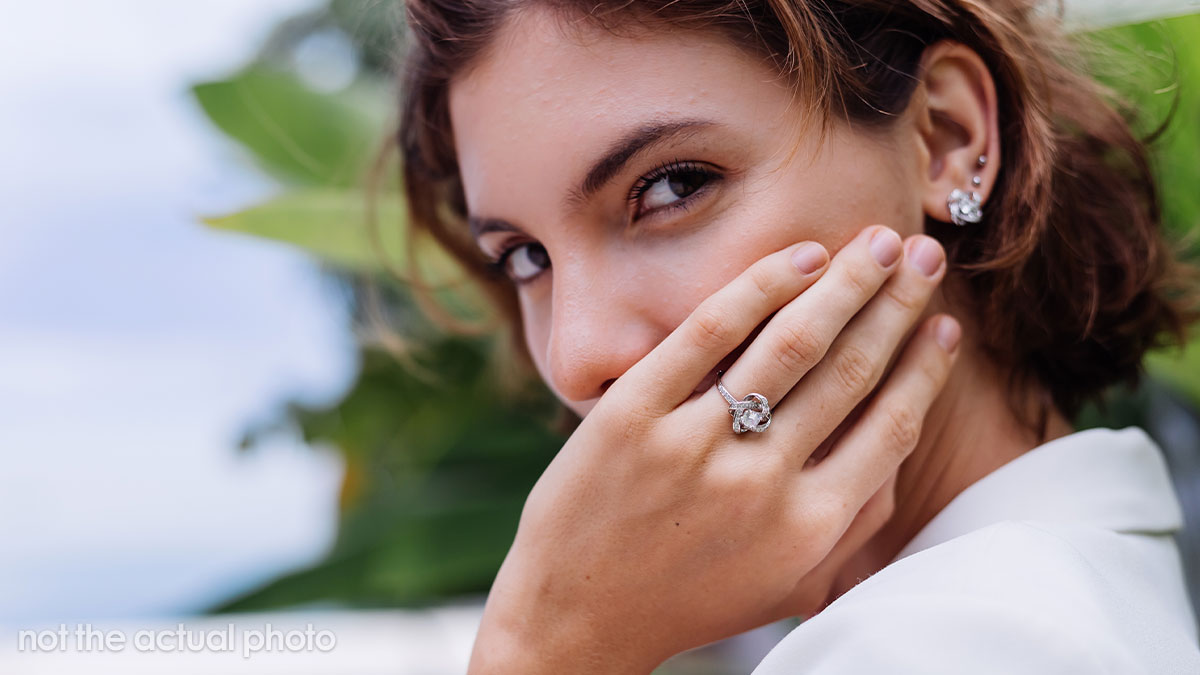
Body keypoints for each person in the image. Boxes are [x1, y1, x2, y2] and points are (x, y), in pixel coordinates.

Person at [393, 0, 1200, 671]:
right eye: (525, 257)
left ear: (947, 139)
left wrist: (544, 648)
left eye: (673, 186)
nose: (578, 355)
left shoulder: (946, 641)